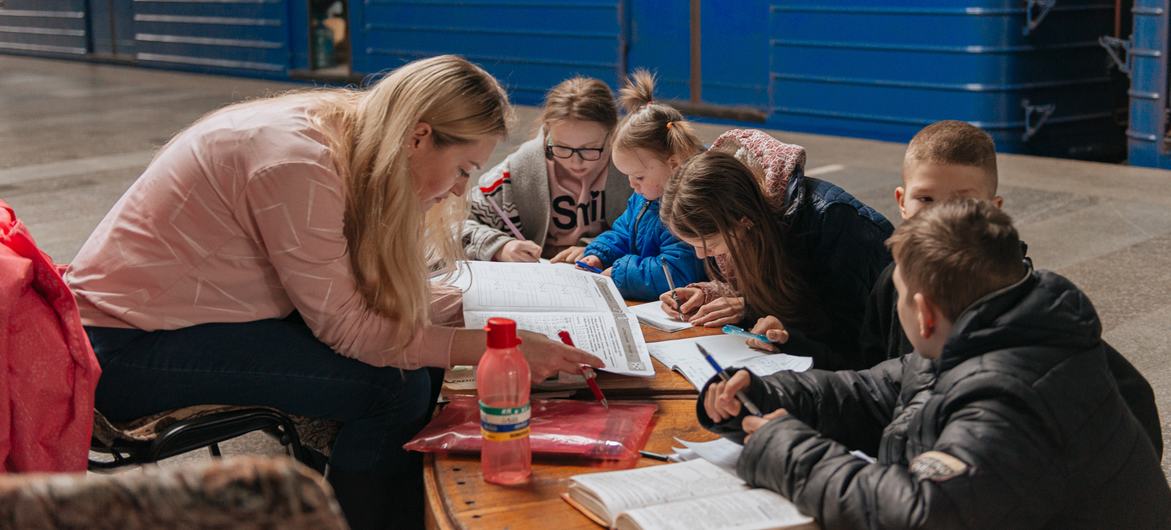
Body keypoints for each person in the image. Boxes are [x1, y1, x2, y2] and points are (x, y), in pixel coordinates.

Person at [65, 55, 602, 530]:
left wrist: (474, 311)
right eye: (463, 169)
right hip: (122, 349)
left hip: (191, 319)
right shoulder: (298, 162)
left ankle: (382, 497)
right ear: (418, 136)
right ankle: (366, 515)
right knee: (391, 385)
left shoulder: (347, 131)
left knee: (418, 362)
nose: (461, 189)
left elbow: (354, 290)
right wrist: (492, 343)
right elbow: (351, 328)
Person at [700, 199, 1171, 529]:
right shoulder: (984, 332)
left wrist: (786, 449)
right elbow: (873, 393)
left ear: (924, 315)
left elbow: (923, 515)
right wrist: (766, 394)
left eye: (899, 296)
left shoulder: (1012, 399)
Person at [855, 120, 1162, 456]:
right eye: (925, 199)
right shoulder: (890, 282)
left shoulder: (1024, 301)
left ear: (994, 210)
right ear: (901, 201)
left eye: (963, 204)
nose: (940, 217)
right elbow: (869, 374)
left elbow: (1133, 400)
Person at [660, 149, 893, 369]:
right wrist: (713, 292)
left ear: (743, 221)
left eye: (708, 245)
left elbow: (853, 343)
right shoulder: (751, 227)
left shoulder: (834, 225)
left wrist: (788, 335)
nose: (701, 255)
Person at [463, 76, 631, 263]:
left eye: (589, 149)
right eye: (562, 147)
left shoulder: (635, 173)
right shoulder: (517, 172)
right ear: (547, 134)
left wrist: (601, 249)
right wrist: (501, 246)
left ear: (612, 135)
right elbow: (454, 224)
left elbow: (663, 237)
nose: (575, 162)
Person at [576, 69, 706, 300]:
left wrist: (620, 274)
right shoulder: (646, 197)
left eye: (639, 177)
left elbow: (676, 272)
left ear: (673, 164)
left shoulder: (689, 211)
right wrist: (600, 254)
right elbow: (624, 232)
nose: (632, 184)